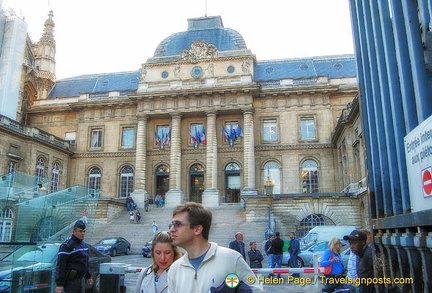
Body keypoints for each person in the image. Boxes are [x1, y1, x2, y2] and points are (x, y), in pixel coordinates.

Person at [167, 202, 262, 292]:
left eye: (178, 224)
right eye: (171, 225)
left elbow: (255, 289)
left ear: (197, 229)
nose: (171, 229)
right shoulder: (175, 268)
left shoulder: (231, 259)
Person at [55, 220, 93, 293]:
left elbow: (85, 263)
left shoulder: (84, 246)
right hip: (70, 281)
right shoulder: (67, 246)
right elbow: (61, 265)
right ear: (74, 232)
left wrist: (88, 276)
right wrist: (60, 284)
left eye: (84, 231)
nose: (82, 233)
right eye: (80, 231)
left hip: (81, 279)